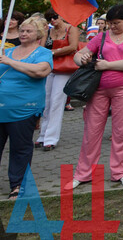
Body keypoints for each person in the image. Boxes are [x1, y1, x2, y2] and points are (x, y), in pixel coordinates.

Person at [0, 15, 53, 202]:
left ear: (38, 34)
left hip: (23, 111)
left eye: (28, 31)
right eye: (22, 30)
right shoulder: (7, 51)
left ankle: (18, 185)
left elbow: (40, 71)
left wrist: (10, 62)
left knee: (20, 149)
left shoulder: (43, 53)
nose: (23, 33)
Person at [69, 4, 123, 189]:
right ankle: (83, 173)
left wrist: (107, 65)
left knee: (122, 131)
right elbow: (79, 55)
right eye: (110, 23)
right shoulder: (102, 36)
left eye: (116, 23)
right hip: (98, 89)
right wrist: (82, 59)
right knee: (91, 131)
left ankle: (121, 171)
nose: (112, 26)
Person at [36, 9, 81, 151]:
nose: (52, 20)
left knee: (56, 102)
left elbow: (73, 47)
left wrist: (53, 52)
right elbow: (41, 48)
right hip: (49, 67)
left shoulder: (71, 28)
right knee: (46, 102)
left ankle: (51, 138)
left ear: (61, 15)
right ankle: (43, 135)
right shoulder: (48, 31)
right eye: (49, 18)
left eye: (54, 17)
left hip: (64, 69)